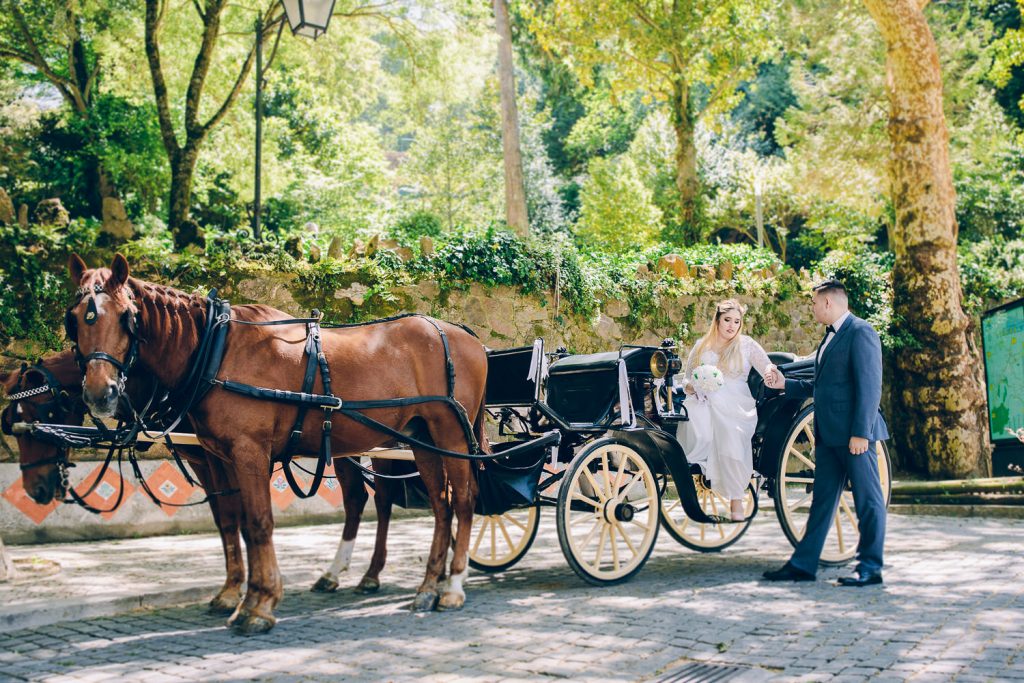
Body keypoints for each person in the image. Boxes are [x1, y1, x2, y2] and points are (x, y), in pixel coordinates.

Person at [762, 279, 889, 586]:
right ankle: (803, 565)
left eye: (814, 303)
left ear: (828, 302)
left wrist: (861, 433)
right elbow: (821, 387)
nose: (813, 309)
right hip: (828, 435)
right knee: (821, 502)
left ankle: (870, 567)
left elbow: (870, 386)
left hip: (854, 437)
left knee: (868, 501)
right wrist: (785, 385)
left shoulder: (861, 332)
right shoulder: (829, 338)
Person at [675, 299, 776, 521]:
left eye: (737, 322)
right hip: (704, 398)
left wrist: (770, 372)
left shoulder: (746, 345)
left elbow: (766, 365)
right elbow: (687, 379)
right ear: (717, 320)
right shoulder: (702, 345)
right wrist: (694, 388)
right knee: (694, 415)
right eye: (727, 320)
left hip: (736, 402)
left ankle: (736, 499)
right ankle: (699, 468)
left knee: (729, 430)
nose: (732, 326)